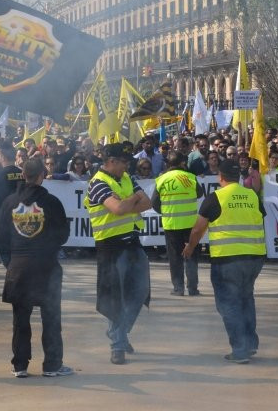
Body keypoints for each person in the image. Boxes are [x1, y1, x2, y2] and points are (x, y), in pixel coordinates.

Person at [181, 159, 266, 364]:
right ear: (238, 176)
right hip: (254, 257)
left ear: (220, 177)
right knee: (246, 299)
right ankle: (250, 343)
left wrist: (190, 248)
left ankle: (240, 349)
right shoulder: (252, 195)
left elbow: (198, 228)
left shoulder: (215, 197)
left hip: (228, 259)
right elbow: (260, 218)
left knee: (229, 304)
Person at [0, 158, 73, 378]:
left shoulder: (9, 202)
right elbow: (62, 235)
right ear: (42, 176)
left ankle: (19, 365)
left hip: (18, 268)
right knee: (51, 318)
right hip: (46, 267)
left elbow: (0, 238)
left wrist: (11, 263)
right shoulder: (52, 202)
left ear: (23, 175)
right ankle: (52, 365)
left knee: (20, 320)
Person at [85, 143, 152, 365]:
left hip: (132, 243)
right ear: (111, 161)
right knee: (117, 298)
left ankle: (118, 332)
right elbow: (119, 209)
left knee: (141, 292)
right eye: (124, 162)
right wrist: (132, 200)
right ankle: (118, 344)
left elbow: (147, 203)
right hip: (111, 247)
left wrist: (126, 202)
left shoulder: (127, 178)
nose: (127, 166)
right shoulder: (98, 183)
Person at [154, 151, 202, 296]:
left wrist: (167, 211)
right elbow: (199, 194)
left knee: (175, 258)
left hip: (171, 223)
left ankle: (178, 288)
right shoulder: (190, 177)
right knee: (191, 255)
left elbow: (154, 203)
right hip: (190, 224)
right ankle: (193, 289)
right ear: (182, 163)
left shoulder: (161, 179)